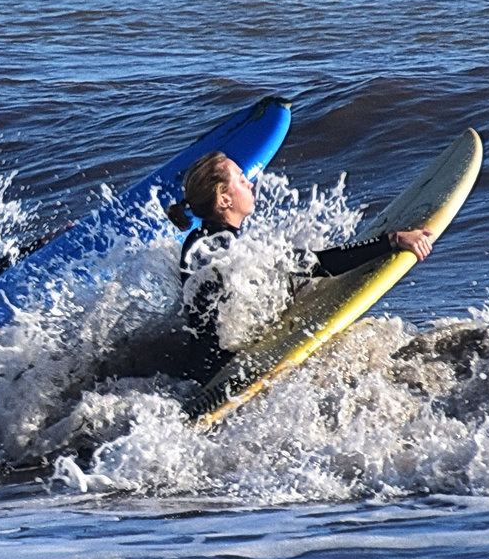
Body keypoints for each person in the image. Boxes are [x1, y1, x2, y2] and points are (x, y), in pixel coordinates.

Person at [165, 151, 434, 388]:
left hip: (198, 370)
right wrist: (391, 241)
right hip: (221, 376)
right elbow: (320, 264)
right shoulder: (229, 248)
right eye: (240, 178)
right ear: (224, 200)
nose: (249, 182)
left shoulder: (198, 241)